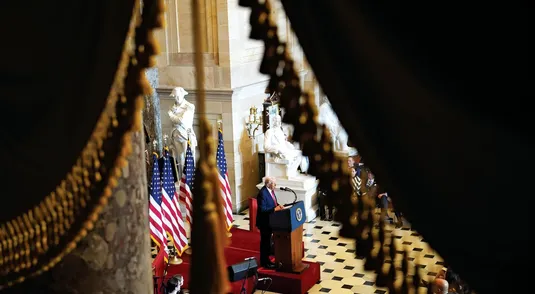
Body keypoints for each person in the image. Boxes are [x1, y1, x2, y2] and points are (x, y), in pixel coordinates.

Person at [256, 177, 285, 268]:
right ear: (268, 184)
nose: (275, 186)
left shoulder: (270, 191)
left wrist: (278, 206)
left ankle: (267, 260)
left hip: (271, 221)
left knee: (268, 242)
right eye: (274, 184)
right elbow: (263, 209)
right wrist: (274, 209)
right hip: (264, 222)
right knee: (265, 243)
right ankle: (264, 262)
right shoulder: (262, 193)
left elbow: (273, 203)